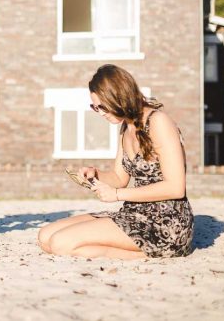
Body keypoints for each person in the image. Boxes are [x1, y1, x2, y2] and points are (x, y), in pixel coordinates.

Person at [38, 64, 194, 259]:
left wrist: (118, 194)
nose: (100, 113)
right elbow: (119, 177)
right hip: (133, 212)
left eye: (101, 106)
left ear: (118, 96)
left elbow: (176, 187)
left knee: (60, 244)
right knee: (45, 237)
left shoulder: (158, 122)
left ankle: (150, 254)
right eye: (95, 107)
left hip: (165, 222)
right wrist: (95, 175)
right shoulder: (125, 128)